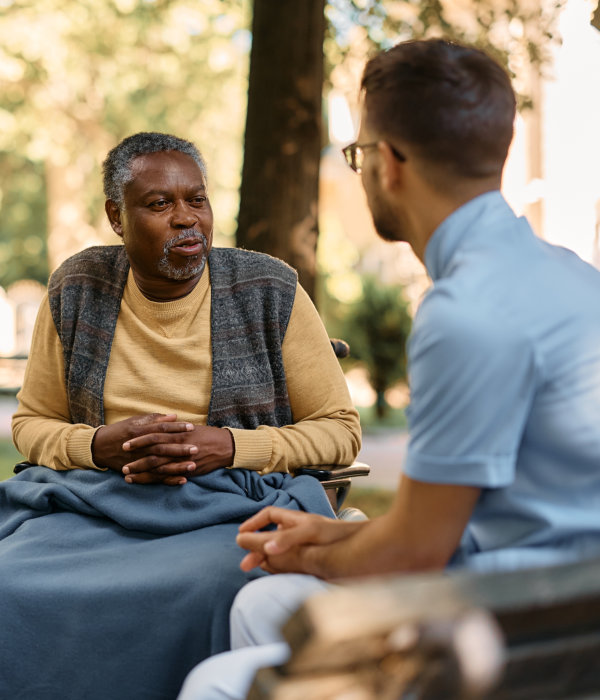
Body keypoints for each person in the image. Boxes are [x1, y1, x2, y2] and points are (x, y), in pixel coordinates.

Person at [178, 38, 600, 699]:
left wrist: (317, 549)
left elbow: (416, 553)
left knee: (214, 684)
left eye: (360, 154)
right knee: (258, 606)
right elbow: (458, 518)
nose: (361, 170)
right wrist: (323, 535)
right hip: (555, 606)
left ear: (391, 162)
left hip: (514, 641)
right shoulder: (572, 278)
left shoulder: (466, 313)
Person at [1, 131, 361, 700]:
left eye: (196, 199)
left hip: (231, 506)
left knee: (211, 588)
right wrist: (97, 446)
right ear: (116, 217)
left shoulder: (269, 289)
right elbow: (31, 423)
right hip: (97, 505)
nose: (186, 219)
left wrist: (231, 446)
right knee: (8, 579)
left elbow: (341, 430)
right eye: (159, 204)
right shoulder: (76, 287)